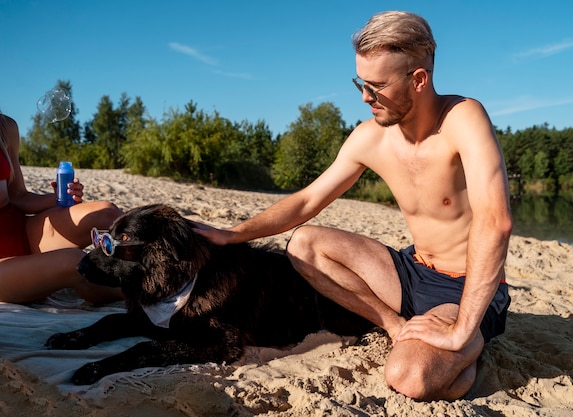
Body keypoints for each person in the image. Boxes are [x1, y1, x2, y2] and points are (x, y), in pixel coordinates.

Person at [194, 10, 512, 401]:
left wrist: (463, 326)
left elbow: (495, 221)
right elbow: (309, 199)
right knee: (304, 245)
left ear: (418, 80)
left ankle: (471, 344)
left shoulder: (463, 118)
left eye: (376, 86)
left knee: (409, 378)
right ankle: (396, 326)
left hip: (466, 287)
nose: (365, 96)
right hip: (411, 272)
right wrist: (235, 233)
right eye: (359, 82)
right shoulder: (370, 137)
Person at [0, 112, 123, 304]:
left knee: (107, 213)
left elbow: (17, 196)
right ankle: (157, 293)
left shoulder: (5, 126)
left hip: (22, 233)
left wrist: (59, 198)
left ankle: (179, 253)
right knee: (76, 263)